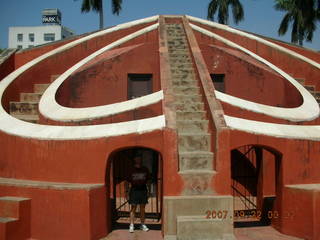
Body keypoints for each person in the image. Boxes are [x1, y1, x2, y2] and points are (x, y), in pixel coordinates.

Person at [126, 155, 151, 233]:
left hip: (143, 190)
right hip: (134, 190)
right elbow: (127, 182)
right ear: (134, 159)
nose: (138, 159)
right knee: (133, 208)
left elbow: (148, 181)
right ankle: (131, 225)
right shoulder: (131, 170)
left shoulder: (145, 169)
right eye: (137, 158)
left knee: (142, 208)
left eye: (139, 158)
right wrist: (127, 192)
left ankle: (142, 224)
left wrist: (149, 191)